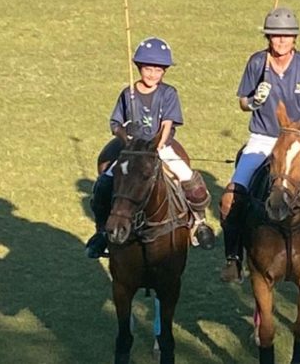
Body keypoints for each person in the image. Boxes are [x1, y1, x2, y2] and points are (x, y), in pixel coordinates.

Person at [219, 7, 300, 282]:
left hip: (299, 141)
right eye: (276, 36)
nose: (281, 41)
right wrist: (253, 101)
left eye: (286, 37)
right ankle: (233, 257)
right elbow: (243, 101)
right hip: (264, 138)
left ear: (294, 39)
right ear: (268, 37)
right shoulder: (257, 63)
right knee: (230, 199)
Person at [85, 37, 216, 258]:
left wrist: (158, 144)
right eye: (148, 68)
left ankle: (200, 222)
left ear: (164, 71)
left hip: (159, 146)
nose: (152, 74)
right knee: (104, 184)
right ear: (139, 67)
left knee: (189, 178)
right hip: (132, 149)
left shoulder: (168, 93)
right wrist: (125, 134)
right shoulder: (129, 94)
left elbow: (167, 124)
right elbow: (115, 124)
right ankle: (101, 233)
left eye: (158, 70)